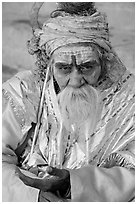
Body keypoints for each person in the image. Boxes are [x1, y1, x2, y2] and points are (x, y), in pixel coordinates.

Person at [2, 2, 135, 202]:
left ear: (104, 63)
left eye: (87, 67)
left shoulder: (130, 100)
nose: (75, 80)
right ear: (48, 66)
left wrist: (73, 184)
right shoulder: (22, 92)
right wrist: (34, 196)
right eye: (64, 68)